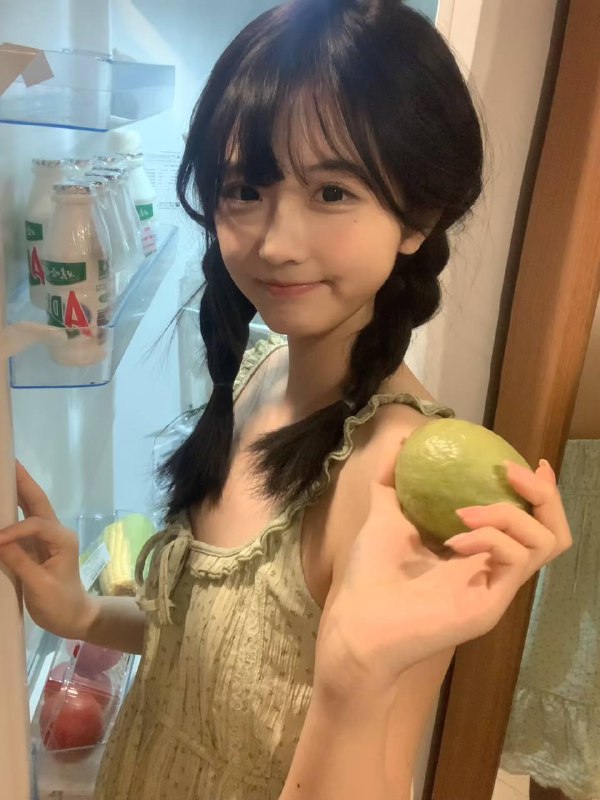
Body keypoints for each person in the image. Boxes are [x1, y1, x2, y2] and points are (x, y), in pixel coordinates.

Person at [0, 1, 572, 798]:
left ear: (419, 217)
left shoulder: (397, 484)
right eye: (245, 190)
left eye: (332, 192)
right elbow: (215, 655)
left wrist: (355, 678)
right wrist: (85, 616)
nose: (276, 243)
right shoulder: (261, 370)